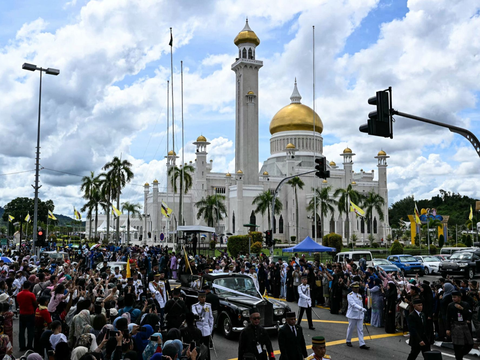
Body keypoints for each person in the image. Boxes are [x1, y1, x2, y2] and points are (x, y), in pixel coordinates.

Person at [446, 291, 473, 360]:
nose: (453, 299)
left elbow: (470, 313)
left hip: (464, 325)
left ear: (459, 298)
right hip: (455, 325)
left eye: (455, 297)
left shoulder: (465, 304)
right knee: (457, 345)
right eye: (452, 297)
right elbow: (448, 318)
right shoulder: (450, 305)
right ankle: (458, 357)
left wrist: (462, 309)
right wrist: (448, 329)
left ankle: (460, 354)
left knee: (470, 344)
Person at [345, 282, 369, 350]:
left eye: (358, 287)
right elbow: (353, 304)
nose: (357, 289)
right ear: (352, 288)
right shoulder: (350, 295)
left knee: (360, 329)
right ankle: (348, 340)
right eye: (355, 288)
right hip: (352, 314)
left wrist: (362, 312)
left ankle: (362, 343)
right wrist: (361, 308)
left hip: (359, 314)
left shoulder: (359, 295)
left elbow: (361, 304)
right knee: (351, 328)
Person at [191, 291, 213, 359]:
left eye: (204, 297)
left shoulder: (208, 306)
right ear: (198, 298)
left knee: (207, 346)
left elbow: (211, 318)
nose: (203, 299)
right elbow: (195, 315)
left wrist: (210, 329)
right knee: (198, 346)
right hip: (199, 329)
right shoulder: (195, 306)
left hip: (206, 329)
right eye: (201, 297)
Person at [17, 280, 37, 351]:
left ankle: (22, 346)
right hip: (30, 314)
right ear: (29, 286)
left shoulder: (19, 294)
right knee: (30, 331)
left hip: (22, 314)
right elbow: (35, 304)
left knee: (21, 332)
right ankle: (29, 346)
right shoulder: (31, 294)